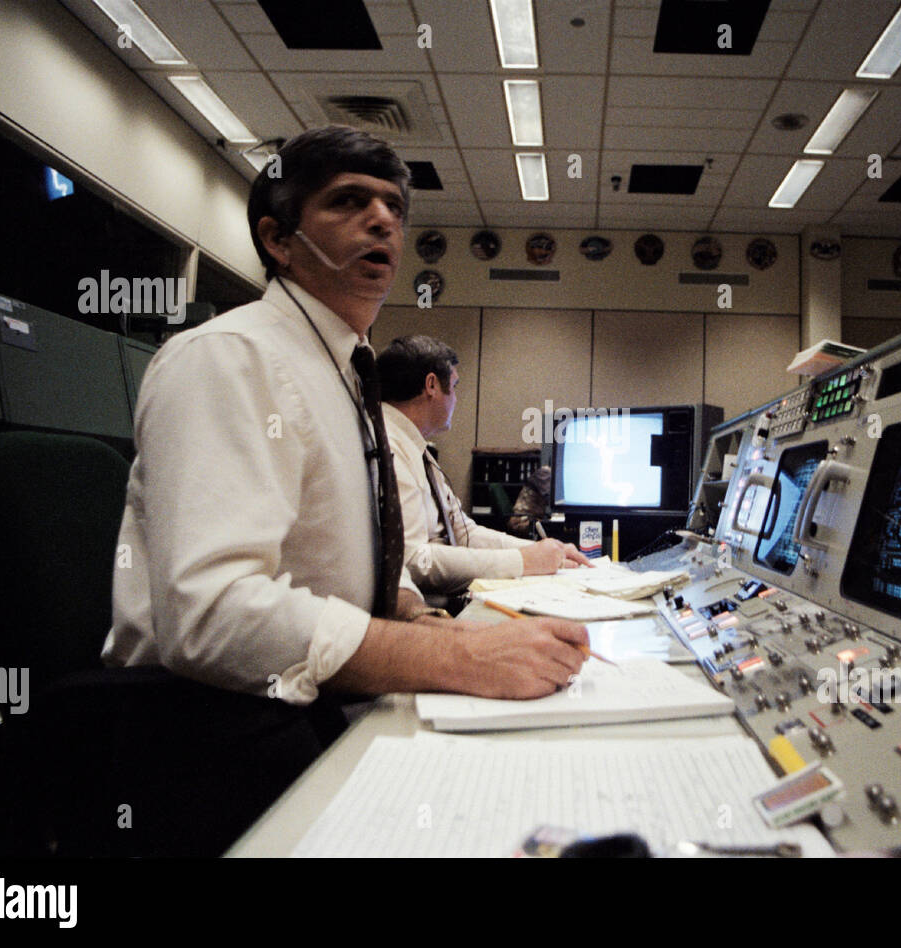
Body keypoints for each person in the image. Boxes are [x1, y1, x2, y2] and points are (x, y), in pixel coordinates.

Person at [99, 129, 590, 850]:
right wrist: (456, 659)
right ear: (279, 239)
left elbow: (324, 558)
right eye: (348, 202)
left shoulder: (342, 373)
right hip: (216, 732)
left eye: (393, 206)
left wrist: (416, 620)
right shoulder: (229, 359)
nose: (384, 220)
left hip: (305, 702)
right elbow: (211, 612)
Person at [376, 335, 589, 602]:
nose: (455, 399)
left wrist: (545, 551)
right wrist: (522, 561)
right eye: (453, 387)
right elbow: (413, 561)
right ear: (431, 385)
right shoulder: (388, 449)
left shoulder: (415, 448)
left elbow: (464, 532)